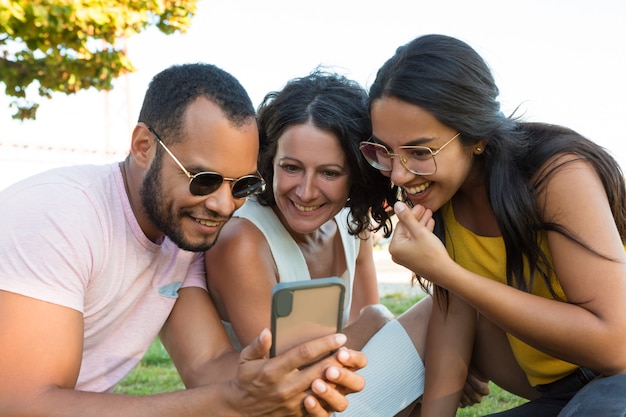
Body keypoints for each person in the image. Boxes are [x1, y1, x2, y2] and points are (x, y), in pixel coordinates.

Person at [0, 63, 368, 416]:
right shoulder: (59, 216)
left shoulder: (181, 235)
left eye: (242, 185)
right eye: (203, 179)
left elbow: (206, 364)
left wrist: (280, 380)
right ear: (144, 146)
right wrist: (234, 403)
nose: (225, 205)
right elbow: (24, 405)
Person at [361, 33, 626, 416]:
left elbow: (616, 348)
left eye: (420, 152)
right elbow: (454, 322)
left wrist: (448, 273)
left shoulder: (555, 174)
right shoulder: (443, 199)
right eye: (385, 152)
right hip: (558, 393)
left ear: (477, 137)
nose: (399, 176)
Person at [204, 70, 397, 351]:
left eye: (329, 173)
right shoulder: (242, 240)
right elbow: (284, 375)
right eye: (291, 168)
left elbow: (369, 351)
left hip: (339, 386)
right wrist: (377, 319)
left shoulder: (352, 222)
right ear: (269, 161)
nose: (306, 192)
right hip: (276, 394)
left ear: (357, 174)